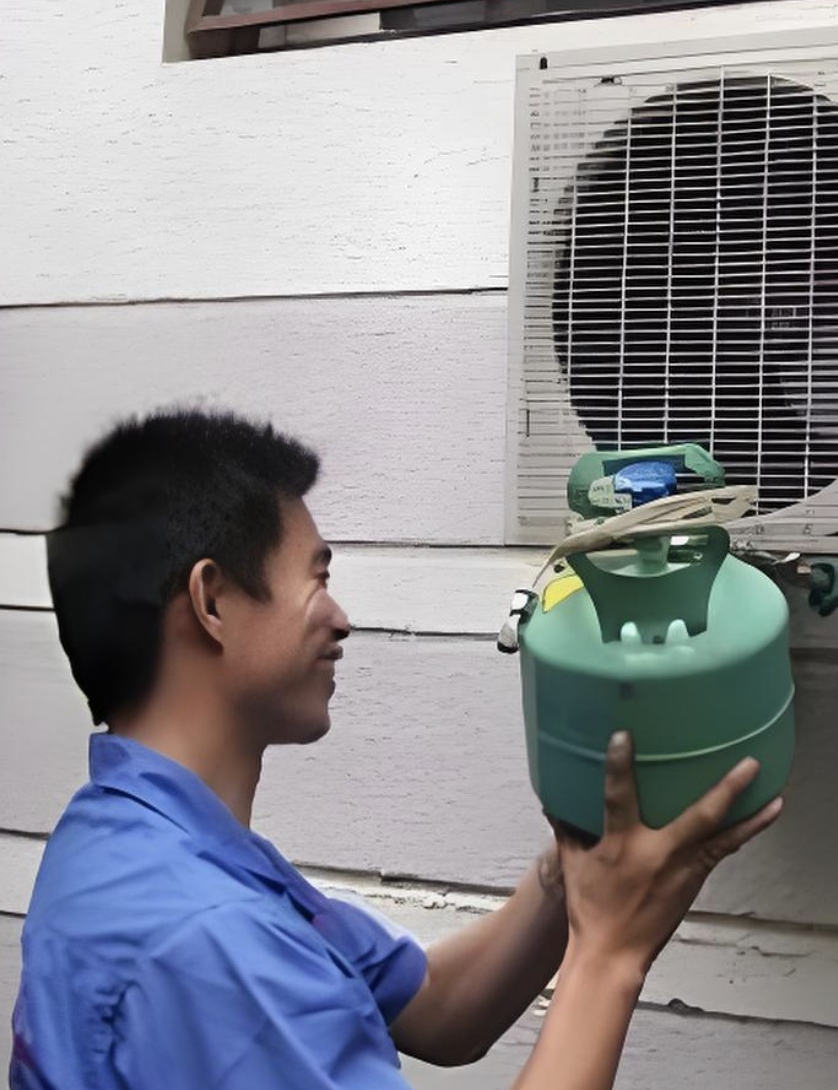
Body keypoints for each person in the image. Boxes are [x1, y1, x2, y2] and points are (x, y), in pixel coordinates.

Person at [11, 410, 780, 1090]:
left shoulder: (136, 838)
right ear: (212, 601)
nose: (340, 619)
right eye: (316, 579)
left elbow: (440, 1011)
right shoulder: (208, 939)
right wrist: (610, 952)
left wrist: (575, 862)